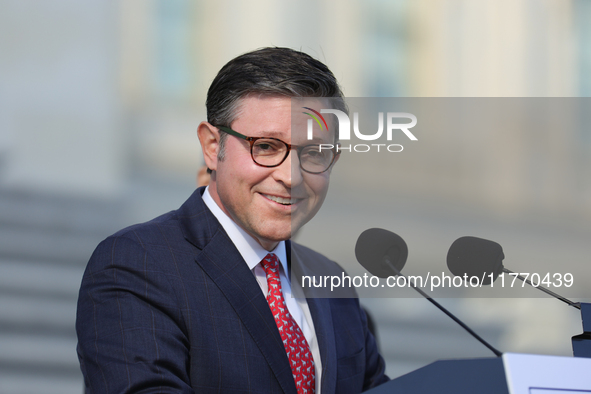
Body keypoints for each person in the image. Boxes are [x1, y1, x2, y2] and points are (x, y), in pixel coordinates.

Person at [76, 47, 388, 394]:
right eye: (267, 147)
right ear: (212, 146)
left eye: (314, 153)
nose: (291, 176)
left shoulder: (332, 282)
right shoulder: (137, 263)